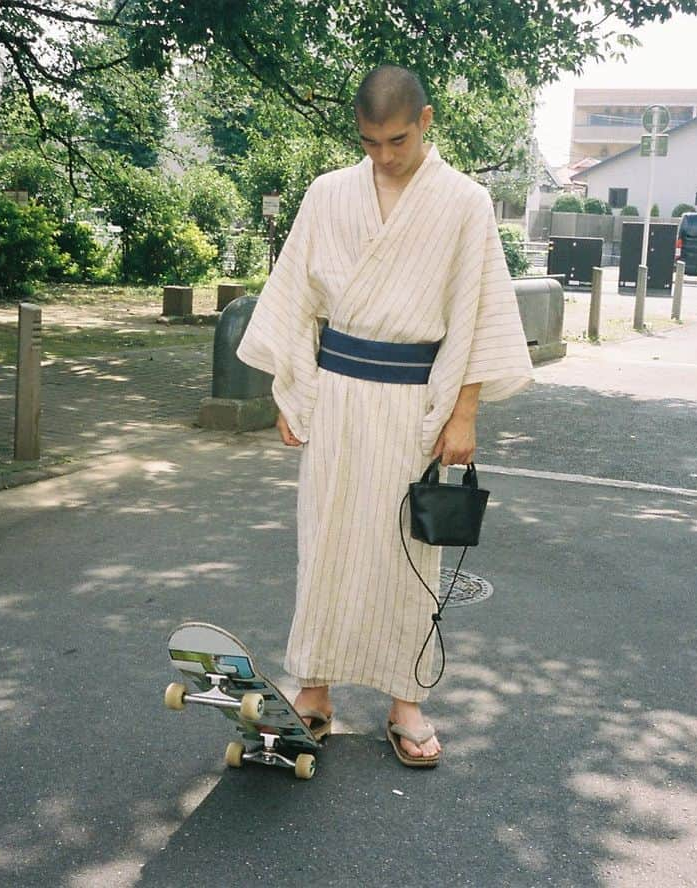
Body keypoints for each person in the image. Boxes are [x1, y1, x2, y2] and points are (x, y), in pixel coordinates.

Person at [236, 64, 531, 767]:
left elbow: (479, 315)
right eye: (369, 142)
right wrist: (291, 391)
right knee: (326, 541)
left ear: (425, 121)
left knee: (408, 555)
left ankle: (406, 700)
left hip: (413, 403)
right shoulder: (329, 193)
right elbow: (296, 300)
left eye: (396, 139)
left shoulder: (464, 202)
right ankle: (313, 691)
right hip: (337, 394)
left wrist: (465, 415)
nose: (383, 155)